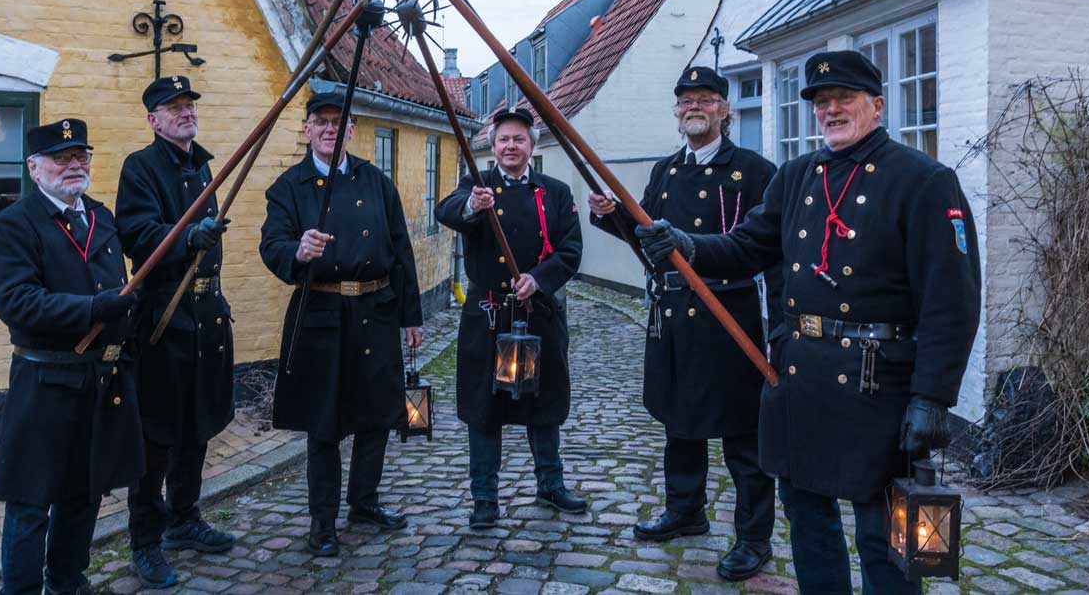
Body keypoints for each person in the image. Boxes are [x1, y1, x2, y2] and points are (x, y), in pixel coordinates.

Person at [631, 50, 981, 595]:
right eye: (822, 102)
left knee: (880, 533)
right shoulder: (797, 177)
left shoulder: (925, 181)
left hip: (877, 382)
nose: (831, 110)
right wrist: (687, 246)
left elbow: (951, 299)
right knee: (809, 522)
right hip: (801, 378)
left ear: (878, 106)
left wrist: (933, 396)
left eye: (844, 99)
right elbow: (747, 246)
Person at [589, 66, 781, 581]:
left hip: (728, 312)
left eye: (705, 99)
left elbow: (763, 248)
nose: (694, 107)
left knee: (743, 434)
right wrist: (612, 215)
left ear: (724, 109)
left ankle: (754, 537)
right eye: (686, 101)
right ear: (677, 113)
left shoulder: (754, 171)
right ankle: (685, 510)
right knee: (680, 422)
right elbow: (646, 236)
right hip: (673, 314)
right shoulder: (666, 171)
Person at [258, 91, 425, 557]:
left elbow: (400, 250)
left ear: (352, 129)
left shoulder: (375, 181)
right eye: (321, 122)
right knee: (325, 425)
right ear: (307, 128)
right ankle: (322, 521)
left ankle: (364, 502)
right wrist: (297, 251)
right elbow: (271, 245)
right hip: (321, 317)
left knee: (377, 417)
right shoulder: (289, 186)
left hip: (375, 312)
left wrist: (411, 316)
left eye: (339, 122)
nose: (330, 129)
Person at [0, 118, 145, 595]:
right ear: (35, 168)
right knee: (32, 501)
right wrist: (94, 308)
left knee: (84, 492)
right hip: (45, 382)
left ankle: (68, 580)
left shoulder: (101, 216)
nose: (74, 165)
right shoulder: (14, 225)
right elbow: (16, 301)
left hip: (100, 379)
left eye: (81, 156)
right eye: (62, 158)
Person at [436, 106, 587, 530]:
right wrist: (471, 205)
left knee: (545, 404)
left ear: (531, 146)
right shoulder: (476, 186)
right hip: (488, 315)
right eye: (504, 139)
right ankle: (484, 497)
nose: (511, 146)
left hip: (537, 313)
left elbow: (571, 250)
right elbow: (445, 212)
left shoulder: (553, 192)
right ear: (492, 146)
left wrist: (539, 280)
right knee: (485, 409)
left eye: (519, 139)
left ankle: (550, 485)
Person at [114, 75, 235, 588]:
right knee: (158, 436)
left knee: (197, 427)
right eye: (173, 107)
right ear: (153, 119)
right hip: (164, 318)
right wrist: (187, 236)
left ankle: (185, 519)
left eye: (189, 105)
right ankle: (145, 541)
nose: (185, 112)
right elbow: (137, 234)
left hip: (205, 319)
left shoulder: (201, 164)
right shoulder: (141, 168)